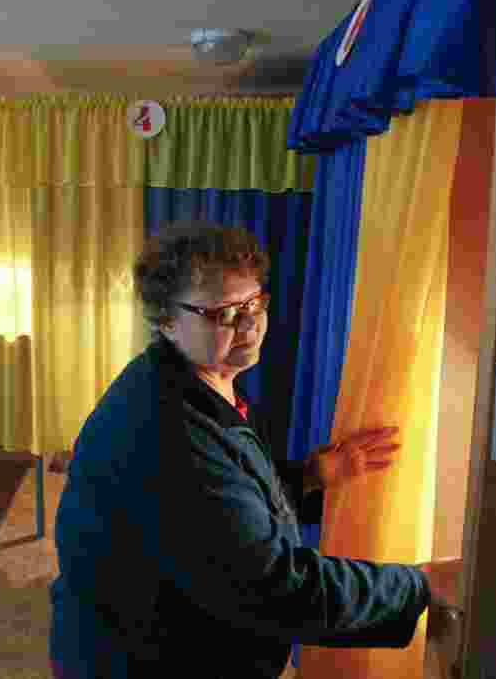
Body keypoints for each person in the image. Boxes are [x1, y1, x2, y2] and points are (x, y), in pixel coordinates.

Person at [48, 221, 462, 678]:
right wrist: (418, 584)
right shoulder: (168, 433)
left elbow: (225, 505)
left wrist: (310, 477)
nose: (249, 325)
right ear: (165, 320)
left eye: (253, 303)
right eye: (223, 313)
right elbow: (275, 589)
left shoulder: (197, 380)